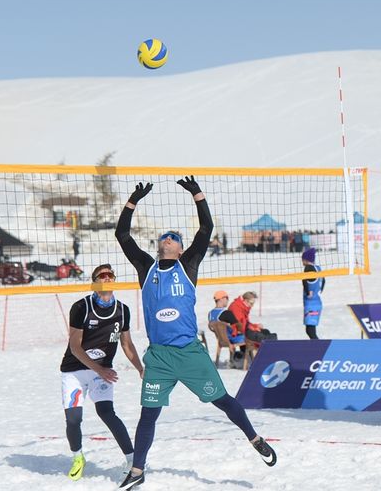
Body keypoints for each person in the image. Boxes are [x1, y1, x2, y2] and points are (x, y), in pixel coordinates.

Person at [115, 176, 276, 490]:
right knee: (148, 414)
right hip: (159, 355)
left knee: (223, 401)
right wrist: (133, 202)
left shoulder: (187, 265)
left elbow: (206, 231)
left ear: (179, 247)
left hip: (189, 351)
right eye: (165, 237)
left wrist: (197, 195)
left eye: (174, 237)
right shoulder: (145, 267)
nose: (168, 239)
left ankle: (254, 438)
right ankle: (137, 471)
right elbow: (122, 234)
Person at [59, 263, 144, 481]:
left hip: (101, 371)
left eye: (110, 275)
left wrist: (140, 369)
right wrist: (101, 369)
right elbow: (75, 347)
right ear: (94, 283)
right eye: (101, 276)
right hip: (75, 370)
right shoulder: (81, 307)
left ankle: (132, 459)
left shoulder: (122, 310)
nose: (106, 278)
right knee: (73, 420)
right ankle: (78, 457)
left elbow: (127, 344)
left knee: (107, 413)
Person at [208, 290, 246, 368]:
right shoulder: (226, 313)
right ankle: (243, 360)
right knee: (248, 336)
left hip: (221, 340)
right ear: (221, 299)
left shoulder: (210, 313)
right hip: (231, 339)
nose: (228, 300)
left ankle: (237, 358)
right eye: (227, 298)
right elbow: (239, 327)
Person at [301, 248, 325, 339]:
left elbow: (305, 282)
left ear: (306, 259)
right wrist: (318, 290)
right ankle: (318, 347)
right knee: (310, 330)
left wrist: (308, 292)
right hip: (317, 301)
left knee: (310, 331)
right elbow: (324, 281)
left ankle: (319, 348)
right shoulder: (318, 268)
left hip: (311, 303)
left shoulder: (308, 268)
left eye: (302, 259)